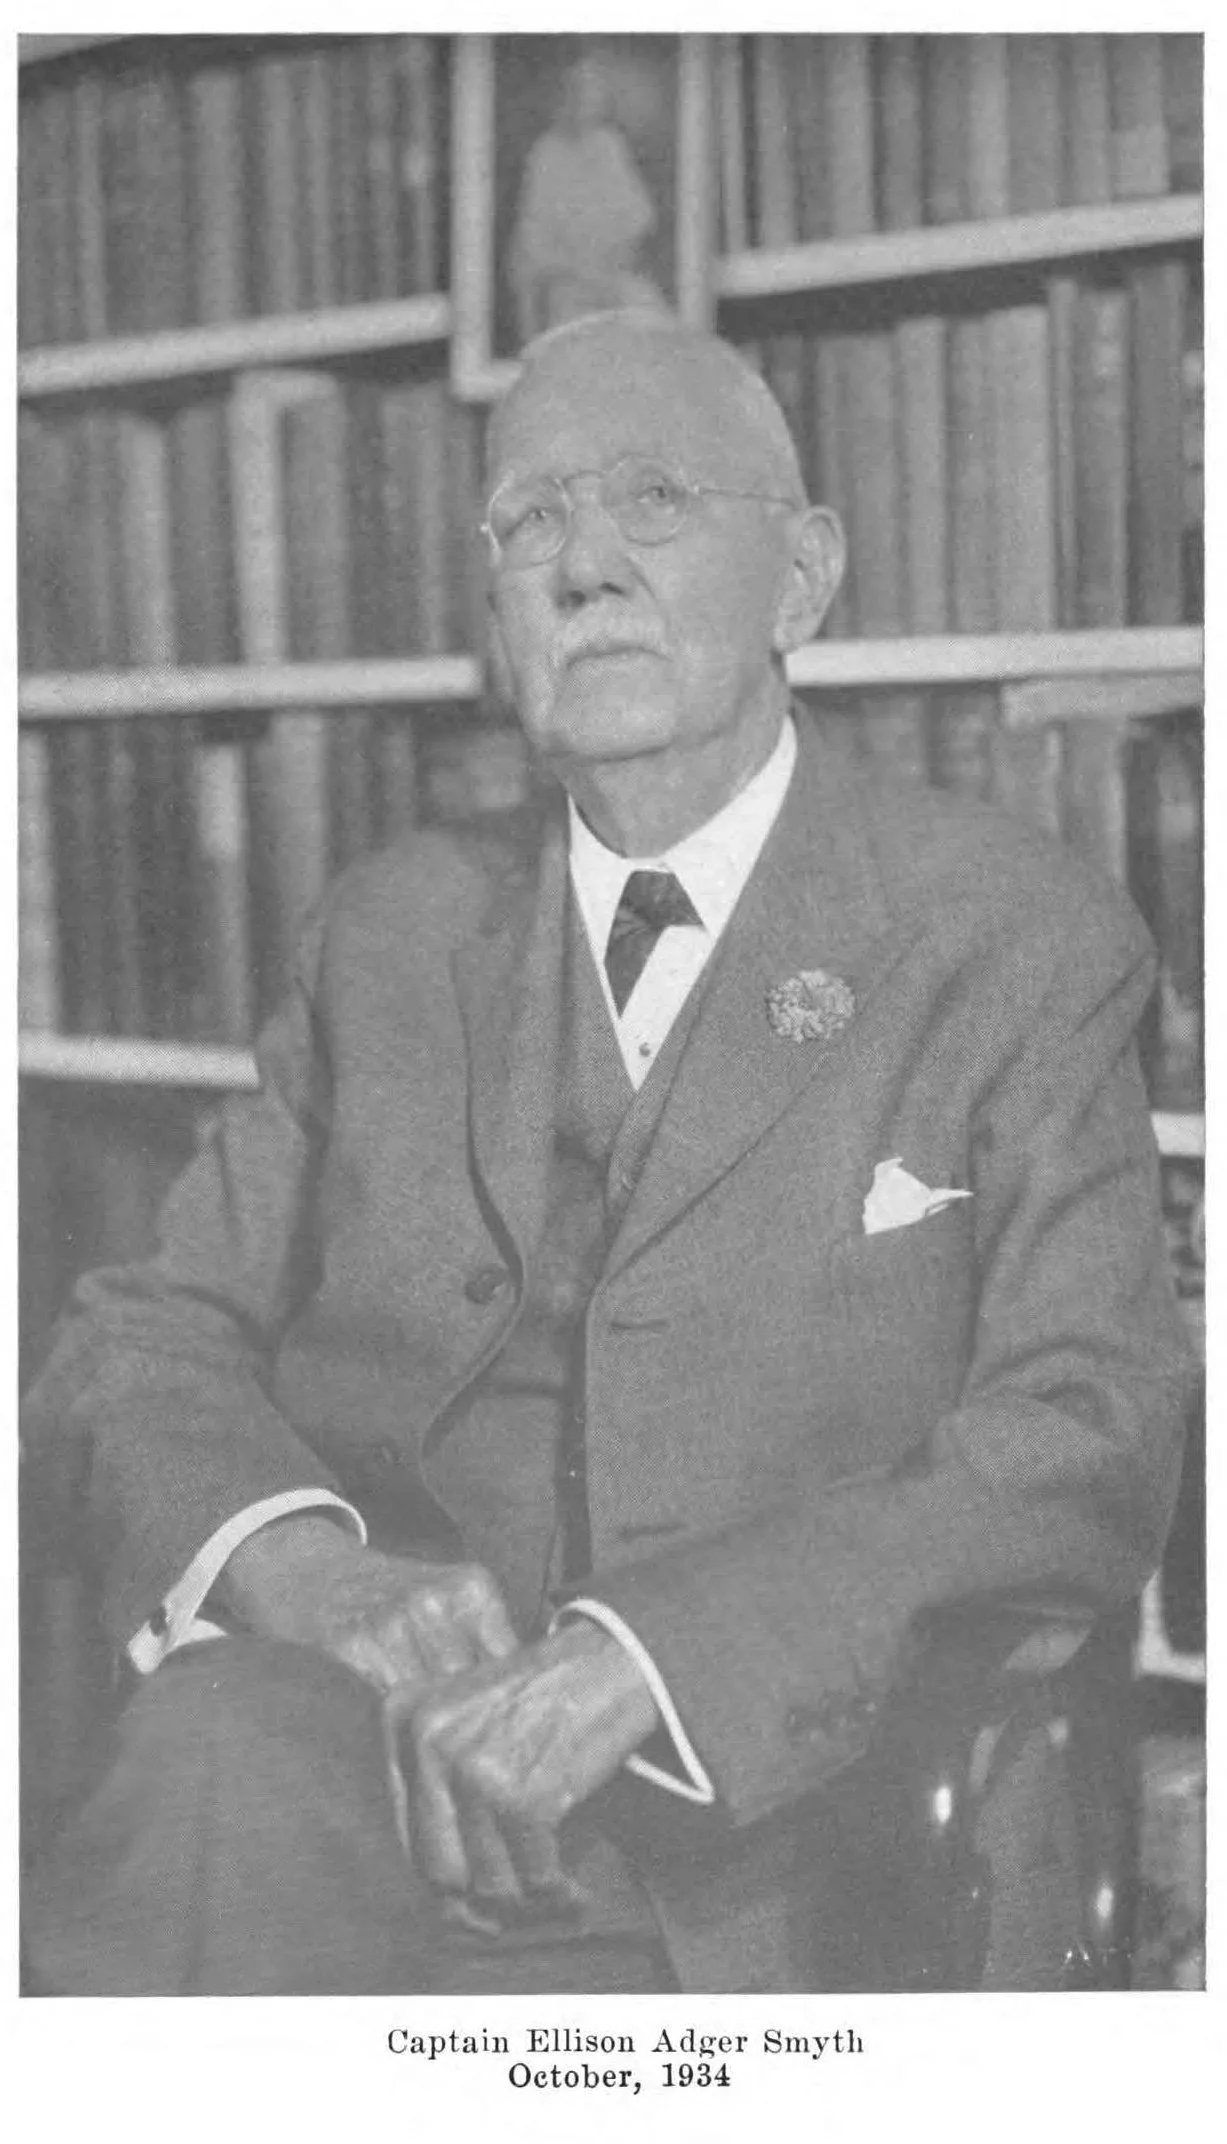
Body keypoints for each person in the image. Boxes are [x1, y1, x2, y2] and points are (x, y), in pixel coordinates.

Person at [22, 311, 1192, 1995]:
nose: (581, 566)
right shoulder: (386, 931)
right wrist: (308, 1569)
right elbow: (133, 1340)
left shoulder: (1012, 934)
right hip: (366, 1788)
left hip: (799, 1844)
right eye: (529, 521)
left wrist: (650, 1662)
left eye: (652, 499)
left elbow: (1089, 1432)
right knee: (195, 1782)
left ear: (802, 580)